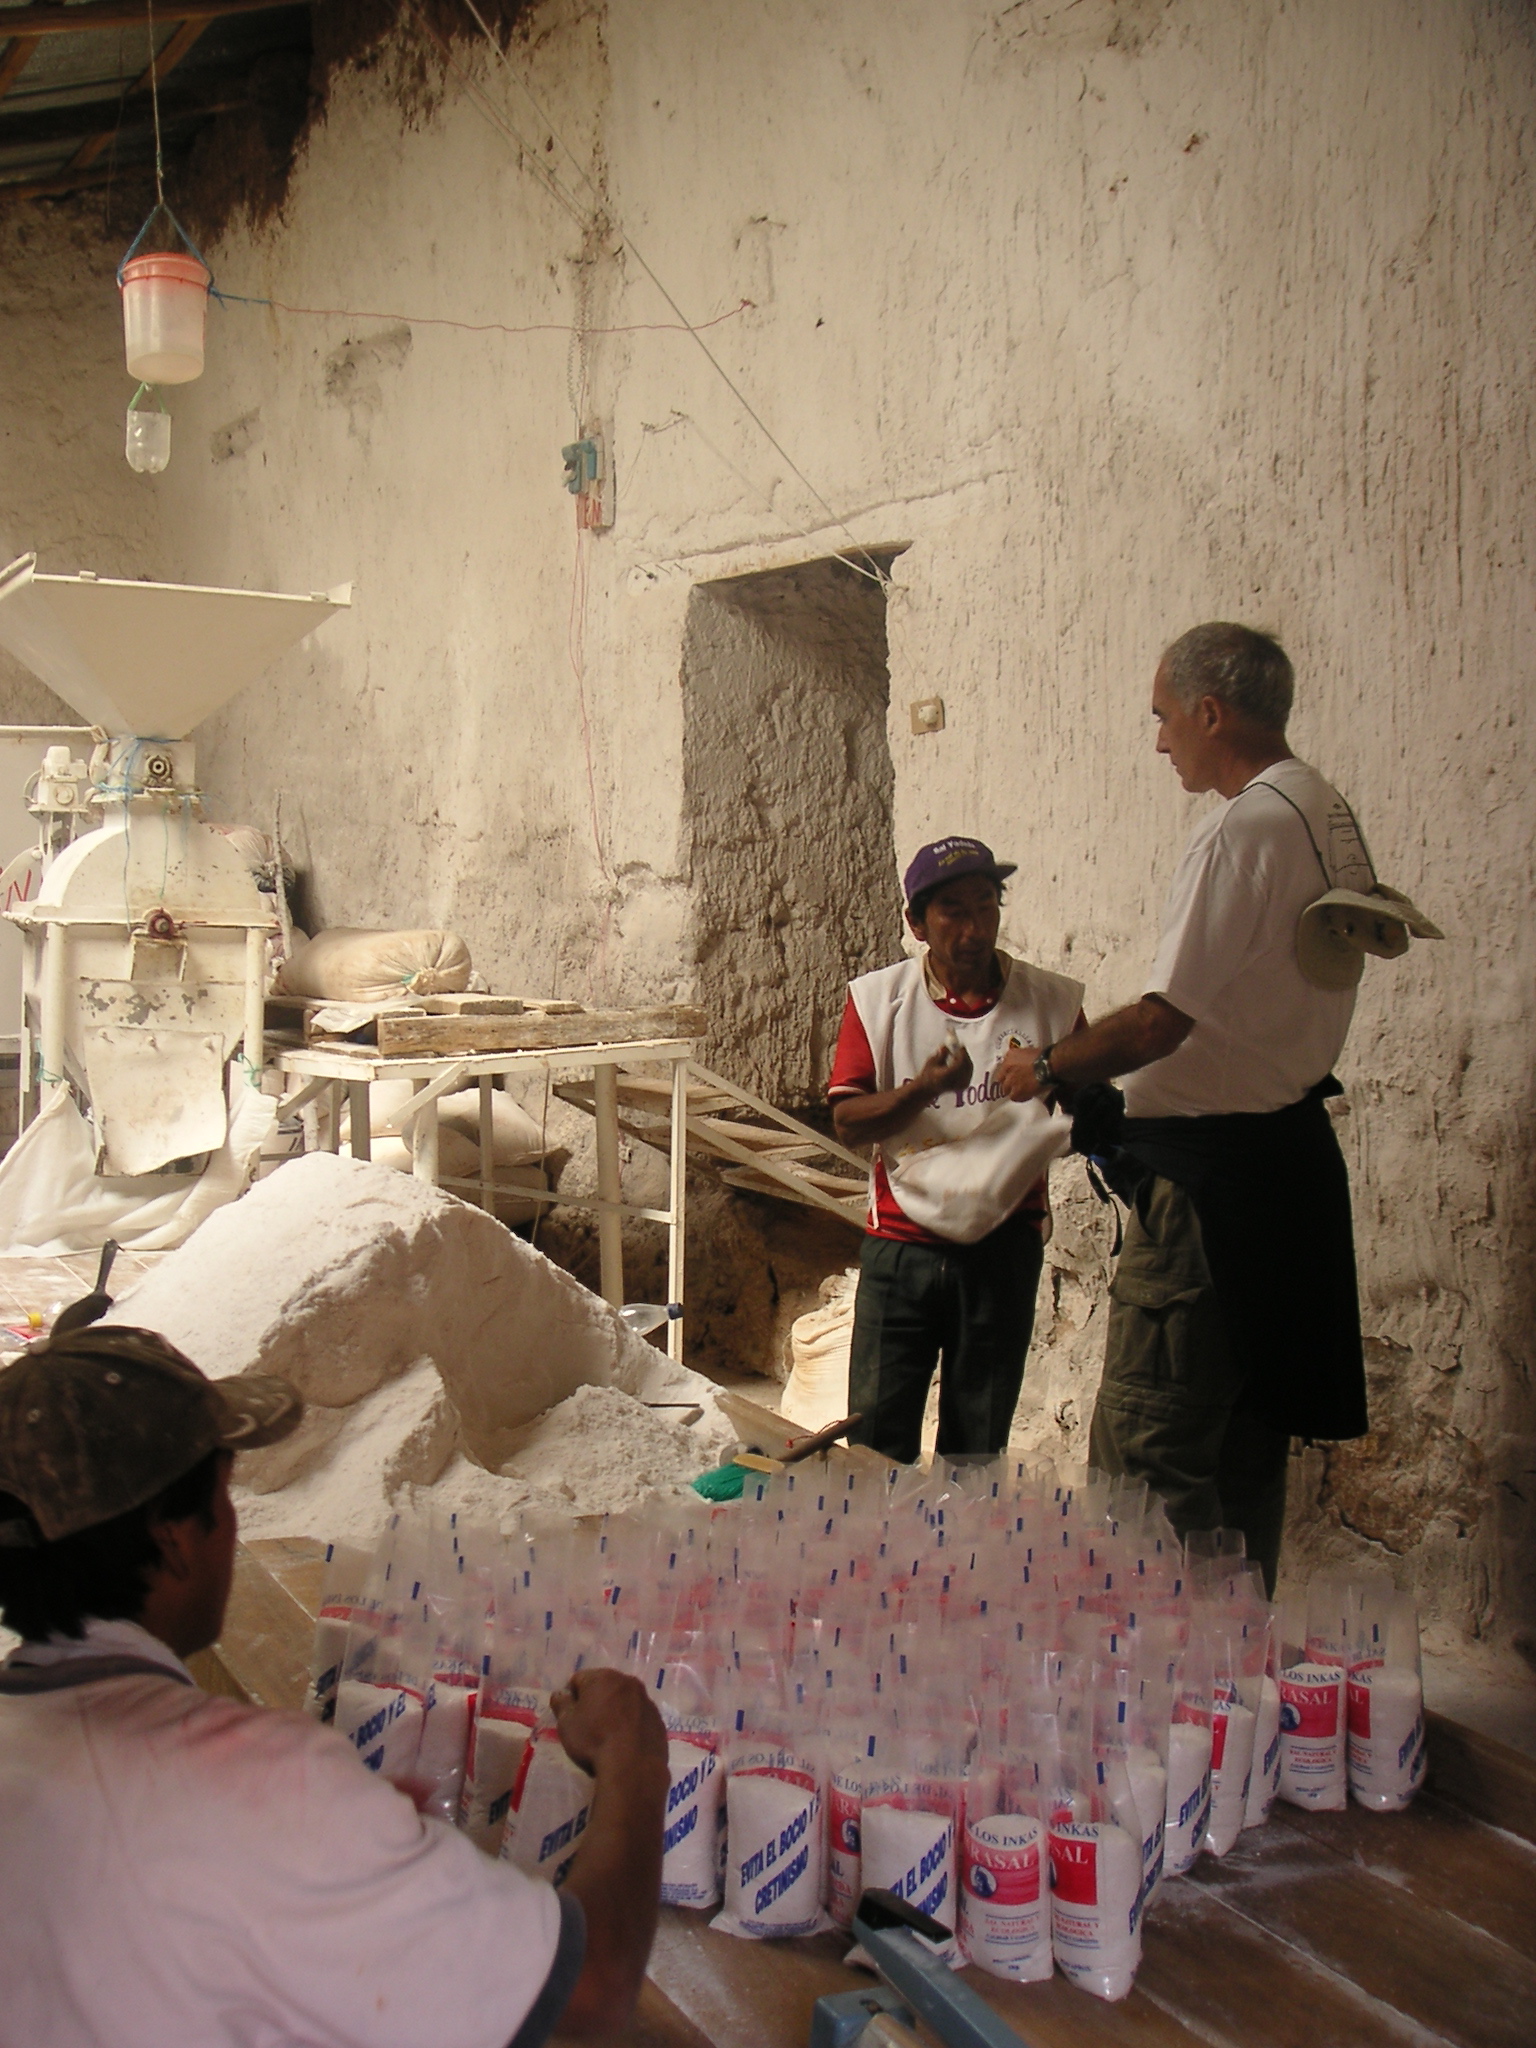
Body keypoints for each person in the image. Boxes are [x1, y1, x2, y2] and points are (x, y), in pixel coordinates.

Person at [0, 1325, 668, 2048]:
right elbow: (592, 1994)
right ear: (173, 1537)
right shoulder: (252, 1784)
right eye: (225, 1498)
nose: (231, 1526)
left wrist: (340, 1842)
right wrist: (636, 1762)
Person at [995, 622, 1376, 1590]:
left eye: (1165, 717)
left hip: (1211, 1196)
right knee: (1244, 1459)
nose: (1160, 740)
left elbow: (1162, 1022)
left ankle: (1154, 1690)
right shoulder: (1323, 811)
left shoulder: (1242, 828)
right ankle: (1232, 1702)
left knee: (1148, 1464)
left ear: (1213, 712)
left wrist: (1050, 1064)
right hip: (1283, 1169)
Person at [829, 836, 1086, 1463]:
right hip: (901, 1248)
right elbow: (848, 1122)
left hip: (1005, 1244)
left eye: (986, 906)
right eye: (953, 911)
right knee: (875, 1444)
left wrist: (1054, 1081)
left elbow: (1091, 1102)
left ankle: (962, 1557)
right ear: (917, 922)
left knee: (978, 1443)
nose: (975, 928)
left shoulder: (1052, 1002)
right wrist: (924, 1089)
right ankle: (878, 1558)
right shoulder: (877, 999)